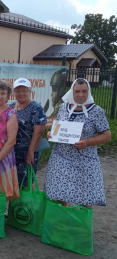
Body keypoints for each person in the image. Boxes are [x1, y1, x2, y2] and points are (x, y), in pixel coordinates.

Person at [44, 78, 111, 207]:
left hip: (85, 160)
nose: (81, 95)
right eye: (77, 91)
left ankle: (81, 224)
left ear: (89, 91)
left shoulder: (97, 111)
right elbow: (58, 126)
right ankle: (62, 221)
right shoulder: (64, 107)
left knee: (85, 195)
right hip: (61, 158)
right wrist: (51, 133)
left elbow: (107, 136)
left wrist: (87, 142)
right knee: (60, 192)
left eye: (84, 91)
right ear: (72, 92)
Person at [10, 78, 47, 187]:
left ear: (30, 91)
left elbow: (38, 133)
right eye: (18, 90)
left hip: (28, 152)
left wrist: (31, 152)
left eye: (24, 90)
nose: (21, 93)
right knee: (12, 182)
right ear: (14, 92)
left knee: (24, 183)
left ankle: (23, 204)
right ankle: (13, 204)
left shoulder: (36, 108)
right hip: (12, 152)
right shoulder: (11, 106)